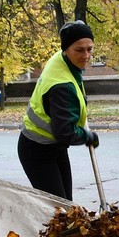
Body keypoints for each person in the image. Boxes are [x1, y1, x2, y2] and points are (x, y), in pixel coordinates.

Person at [18, 20, 100, 200]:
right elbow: (65, 131)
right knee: (58, 209)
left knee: (65, 205)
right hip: (37, 150)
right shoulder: (62, 86)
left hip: (54, 146)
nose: (86, 55)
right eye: (79, 50)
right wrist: (89, 137)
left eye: (90, 49)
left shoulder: (64, 61)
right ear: (66, 50)